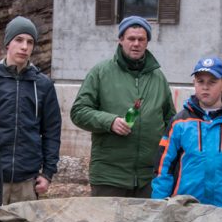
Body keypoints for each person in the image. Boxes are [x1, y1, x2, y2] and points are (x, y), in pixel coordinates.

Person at [70, 16, 176, 198]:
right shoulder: (100, 72)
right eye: (131, 38)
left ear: (147, 42)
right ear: (120, 40)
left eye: (141, 39)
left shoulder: (158, 77)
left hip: (148, 178)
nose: (136, 44)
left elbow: (171, 122)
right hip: (109, 177)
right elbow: (79, 111)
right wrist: (110, 122)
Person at [152, 56, 222, 214]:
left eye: (212, 82)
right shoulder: (179, 122)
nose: (205, 87)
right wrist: (159, 206)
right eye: (200, 81)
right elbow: (163, 167)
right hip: (185, 211)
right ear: (194, 83)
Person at [0, 16, 61, 203]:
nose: (24, 47)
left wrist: (48, 173)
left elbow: (52, 131)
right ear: (7, 43)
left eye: (30, 42)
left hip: (27, 181)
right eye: (19, 40)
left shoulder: (43, 85)